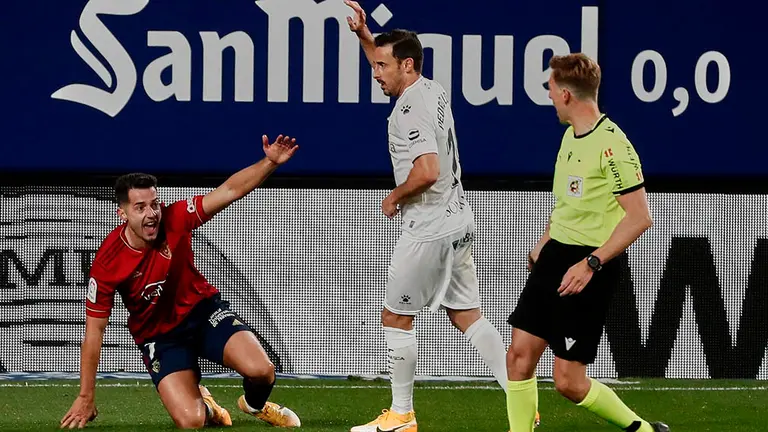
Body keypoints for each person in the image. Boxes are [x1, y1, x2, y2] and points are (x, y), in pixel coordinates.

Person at [344, 2, 540, 431]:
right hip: (458, 217)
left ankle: (401, 416)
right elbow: (388, 57)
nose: (375, 73)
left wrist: (394, 196)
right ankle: (522, 398)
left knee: (396, 317)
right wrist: (365, 36)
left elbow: (428, 170)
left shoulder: (408, 108)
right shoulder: (430, 88)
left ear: (407, 66)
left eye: (381, 66)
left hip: (429, 226)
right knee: (466, 312)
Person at [60, 135, 302, 430]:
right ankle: (208, 407)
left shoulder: (176, 217)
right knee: (191, 422)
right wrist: (86, 395)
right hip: (160, 337)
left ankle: (255, 405)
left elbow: (228, 190)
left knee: (262, 370)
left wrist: (270, 162)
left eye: (154, 204)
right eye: (140, 208)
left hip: (202, 313)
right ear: (121, 213)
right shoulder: (108, 262)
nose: (151, 214)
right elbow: (93, 333)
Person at [505, 53, 669, 432]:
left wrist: (591, 264)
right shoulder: (568, 137)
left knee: (568, 382)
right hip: (556, 256)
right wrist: (543, 242)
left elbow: (640, 217)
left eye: (549, 89)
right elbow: (567, 202)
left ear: (565, 94)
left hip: (588, 266)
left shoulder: (613, 146)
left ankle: (644, 430)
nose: (547, 95)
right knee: (518, 357)